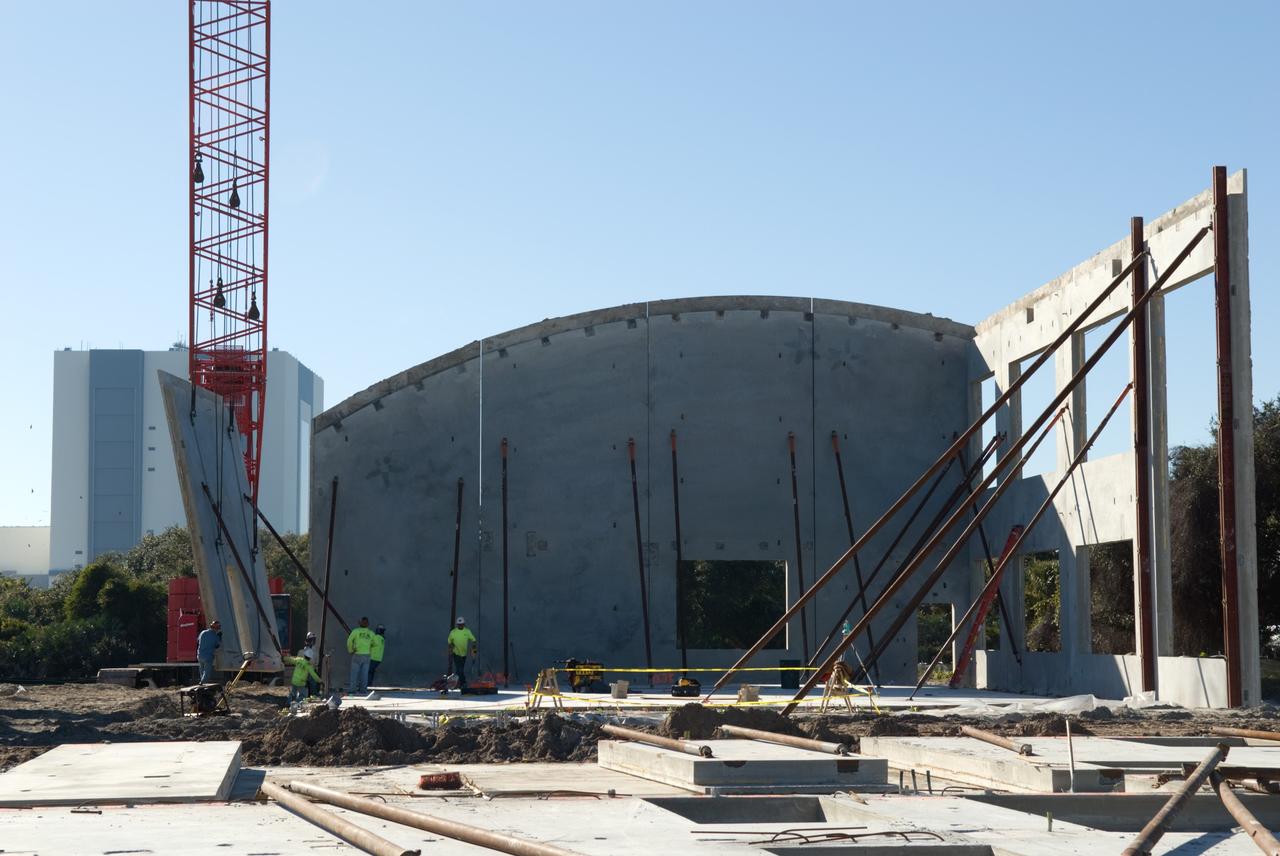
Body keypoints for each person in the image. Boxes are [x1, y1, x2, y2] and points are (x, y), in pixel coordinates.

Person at [446, 617, 477, 689]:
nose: (460, 625)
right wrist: (451, 649)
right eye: (459, 624)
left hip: (464, 654)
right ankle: (463, 683)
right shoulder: (453, 632)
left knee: (460, 670)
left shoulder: (467, 631)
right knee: (460, 669)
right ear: (457, 625)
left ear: (464, 624)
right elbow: (449, 642)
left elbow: (473, 640)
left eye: (462, 624)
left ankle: (456, 683)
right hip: (456, 653)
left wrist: (474, 648)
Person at [347, 617, 376, 694]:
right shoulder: (371, 633)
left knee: (354, 674)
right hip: (366, 655)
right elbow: (375, 643)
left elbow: (349, 641)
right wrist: (369, 647)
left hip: (357, 654)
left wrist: (351, 650)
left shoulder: (355, 631)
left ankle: (352, 690)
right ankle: (363, 690)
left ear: (360, 623)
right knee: (364, 674)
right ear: (368, 624)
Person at [196, 619, 221, 684]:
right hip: (208, 656)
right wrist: (219, 637)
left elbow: (198, 641)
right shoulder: (215, 636)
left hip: (200, 655)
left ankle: (202, 683)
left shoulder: (203, 632)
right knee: (207, 673)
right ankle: (202, 683)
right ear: (216, 629)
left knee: (202, 671)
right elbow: (217, 646)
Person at [301, 631, 319, 697]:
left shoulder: (315, 650)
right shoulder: (305, 649)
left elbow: (316, 661)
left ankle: (313, 695)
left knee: (313, 685)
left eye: (313, 640)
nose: (312, 642)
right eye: (311, 640)